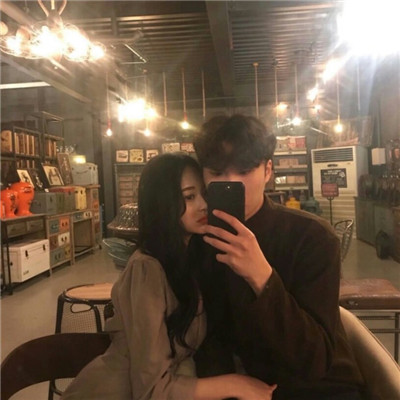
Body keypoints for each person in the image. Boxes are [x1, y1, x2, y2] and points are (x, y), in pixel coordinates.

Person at [62, 152, 276, 400]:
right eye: (189, 197)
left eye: (204, 194)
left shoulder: (190, 257)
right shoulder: (147, 269)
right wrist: (237, 384)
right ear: (163, 203)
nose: (203, 205)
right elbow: (153, 390)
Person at [192, 115, 365, 400]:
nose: (232, 182)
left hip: (319, 390)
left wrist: (262, 277)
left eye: (244, 170)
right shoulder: (199, 241)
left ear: (268, 170)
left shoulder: (312, 237)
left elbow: (315, 360)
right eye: (217, 172)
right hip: (238, 388)